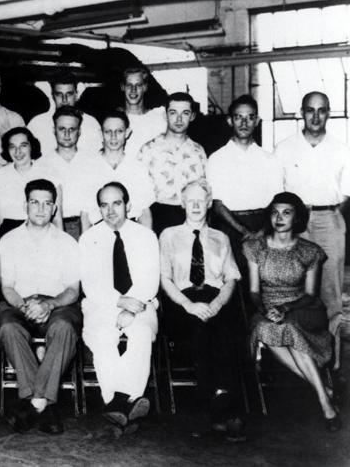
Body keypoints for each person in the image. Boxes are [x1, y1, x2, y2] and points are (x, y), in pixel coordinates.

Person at [243, 192, 340, 432]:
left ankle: (324, 400)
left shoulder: (310, 251)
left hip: (302, 308)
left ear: (297, 218)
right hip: (268, 307)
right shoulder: (255, 247)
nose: (279, 217)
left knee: (287, 326)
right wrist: (266, 309)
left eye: (286, 212)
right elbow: (254, 291)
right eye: (275, 212)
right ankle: (323, 395)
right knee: (266, 327)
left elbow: (310, 295)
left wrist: (285, 308)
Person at [159, 180, 245, 441]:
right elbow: (165, 279)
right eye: (190, 200)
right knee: (201, 329)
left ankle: (214, 408)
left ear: (209, 204)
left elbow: (231, 278)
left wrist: (217, 303)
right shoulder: (168, 235)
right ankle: (221, 409)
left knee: (226, 328)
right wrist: (188, 305)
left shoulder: (222, 238)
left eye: (201, 200)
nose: (196, 205)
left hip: (216, 297)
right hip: (182, 300)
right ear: (182, 203)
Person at [0, 178, 81, 435]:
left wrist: (49, 304)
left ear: (54, 208)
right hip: (20, 303)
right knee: (9, 327)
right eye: (35, 202)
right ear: (26, 205)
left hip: (57, 303)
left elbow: (73, 290)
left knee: (65, 327)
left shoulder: (68, 242)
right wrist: (26, 306)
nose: (41, 209)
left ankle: (35, 402)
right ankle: (46, 405)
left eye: (47, 204)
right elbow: (7, 288)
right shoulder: (9, 240)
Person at [79, 182, 159, 435]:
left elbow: (150, 279)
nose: (111, 210)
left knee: (141, 334)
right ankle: (128, 401)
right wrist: (118, 302)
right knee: (104, 337)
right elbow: (90, 282)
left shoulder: (145, 236)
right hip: (102, 304)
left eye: (117, 203)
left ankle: (117, 401)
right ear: (99, 209)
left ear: (128, 205)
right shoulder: (89, 238)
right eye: (104, 204)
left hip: (141, 303)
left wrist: (131, 307)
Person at [274, 92, 350, 343]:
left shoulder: (342, 148)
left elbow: (347, 193)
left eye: (321, 110)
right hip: (295, 223)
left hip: (329, 219)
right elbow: (277, 193)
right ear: (301, 112)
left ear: (329, 112)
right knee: (293, 289)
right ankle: (299, 349)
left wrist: (331, 216)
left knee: (330, 292)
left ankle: (332, 355)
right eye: (310, 110)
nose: (315, 116)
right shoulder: (284, 148)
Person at [207, 94, 283, 275]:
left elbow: (276, 200)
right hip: (229, 227)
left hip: (264, 226)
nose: (244, 122)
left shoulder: (269, 158)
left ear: (256, 121)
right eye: (238, 117)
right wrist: (244, 231)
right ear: (229, 121)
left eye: (250, 117)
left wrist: (261, 231)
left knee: (263, 284)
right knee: (234, 284)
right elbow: (217, 204)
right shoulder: (217, 159)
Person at [137, 92, 207, 235]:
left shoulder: (199, 152)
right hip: (156, 218)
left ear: (192, 116)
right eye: (173, 112)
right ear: (165, 115)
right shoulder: (148, 149)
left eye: (185, 113)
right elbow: (139, 194)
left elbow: (204, 193)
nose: (179, 119)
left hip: (189, 218)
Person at [79, 111, 154, 232]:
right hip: (99, 231)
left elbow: (144, 213)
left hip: (130, 230)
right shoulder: (89, 167)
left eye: (119, 131)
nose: (113, 137)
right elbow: (85, 215)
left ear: (127, 133)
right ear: (101, 133)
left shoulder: (137, 167)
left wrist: (147, 242)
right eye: (108, 131)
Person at [0, 127, 61, 238]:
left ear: (32, 146)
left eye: (23, 146)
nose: (18, 152)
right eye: (13, 147)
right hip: (9, 232)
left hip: (42, 230)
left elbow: (57, 217)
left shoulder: (49, 173)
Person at [34, 106, 93, 239]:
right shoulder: (41, 165)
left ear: (79, 131)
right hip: (52, 228)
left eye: (72, 129)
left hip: (88, 226)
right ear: (54, 130)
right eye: (62, 129)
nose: (67, 134)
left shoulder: (91, 162)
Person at [27, 73, 102, 157]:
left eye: (69, 94)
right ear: (52, 95)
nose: (64, 100)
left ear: (76, 94)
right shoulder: (36, 124)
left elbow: (98, 158)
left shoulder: (91, 123)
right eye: (59, 94)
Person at [120, 67, 168, 159]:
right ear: (122, 87)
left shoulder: (159, 119)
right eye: (129, 85)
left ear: (145, 87)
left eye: (138, 85)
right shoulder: (114, 121)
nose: (133, 90)